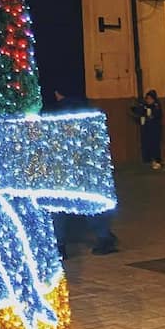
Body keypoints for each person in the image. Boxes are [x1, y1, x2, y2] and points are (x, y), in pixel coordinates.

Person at [46, 83, 119, 256]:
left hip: (63, 167)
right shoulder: (92, 112)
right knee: (92, 204)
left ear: (58, 93)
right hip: (88, 166)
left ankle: (60, 245)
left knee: (58, 206)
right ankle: (104, 238)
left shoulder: (53, 114)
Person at [131, 88, 163, 169]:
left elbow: (157, 116)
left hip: (154, 129)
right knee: (146, 145)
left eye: (150, 99)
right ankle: (148, 160)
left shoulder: (156, 106)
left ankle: (156, 160)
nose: (148, 100)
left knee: (155, 145)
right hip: (145, 128)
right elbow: (138, 113)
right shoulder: (143, 106)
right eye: (147, 98)